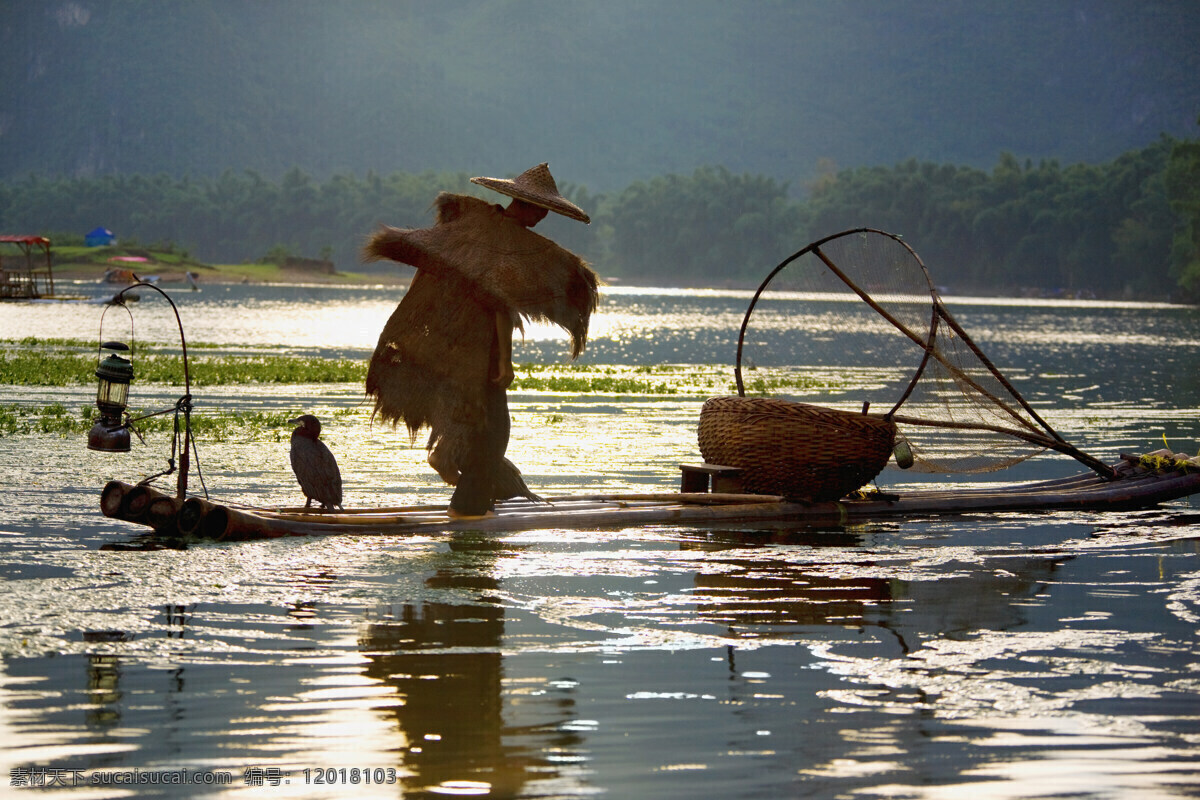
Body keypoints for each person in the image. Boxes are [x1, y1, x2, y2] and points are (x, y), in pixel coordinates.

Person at [364, 163, 599, 519]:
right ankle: (468, 507)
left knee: (477, 418)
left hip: (458, 343)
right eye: (539, 210)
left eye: (546, 212)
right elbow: (500, 306)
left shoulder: (481, 226)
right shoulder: (503, 239)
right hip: (479, 346)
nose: (541, 218)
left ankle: (452, 466)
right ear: (523, 204)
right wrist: (506, 361)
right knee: (494, 432)